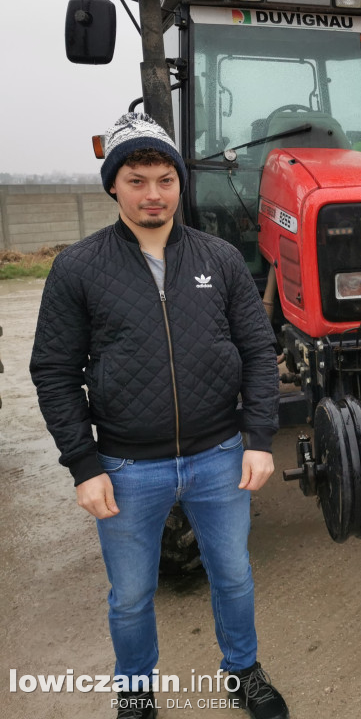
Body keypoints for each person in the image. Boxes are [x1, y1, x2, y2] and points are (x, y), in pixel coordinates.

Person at [30, 112, 289, 719]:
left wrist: (257, 438)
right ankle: (136, 690)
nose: (153, 194)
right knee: (130, 597)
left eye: (164, 179)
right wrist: (84, 465)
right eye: (138, 180)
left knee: (233, 578)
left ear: (179, 183)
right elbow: (54, 371)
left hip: (220, 454)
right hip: (125, 465)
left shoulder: (220, 259)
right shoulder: (79, 268)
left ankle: (242, 671)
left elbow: (257, 350)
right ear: (114, 185)